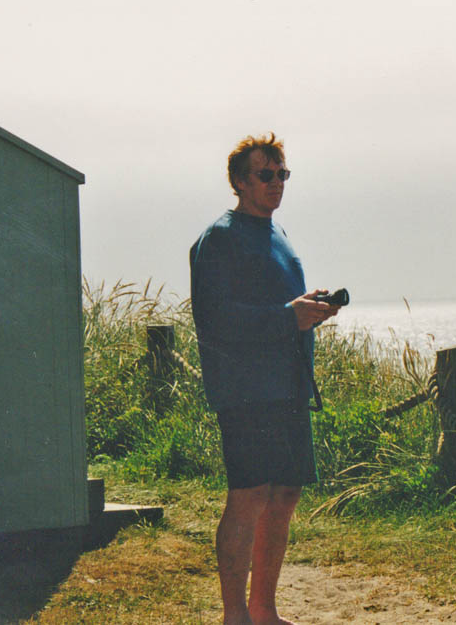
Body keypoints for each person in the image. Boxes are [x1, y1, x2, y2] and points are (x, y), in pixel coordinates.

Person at [189, 133, 340, 625]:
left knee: (284, 496)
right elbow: (213, 321)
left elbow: (277, 308)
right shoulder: (220, 238)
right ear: (238, 182)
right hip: (246, 391)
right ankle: (235, 616)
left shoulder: (278, 235)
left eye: (282, 174)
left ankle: (263, 611)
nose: (276, 184)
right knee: (250, 495)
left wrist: (308, 310)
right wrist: (285, 317)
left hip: (290, 387)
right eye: (265, 175)